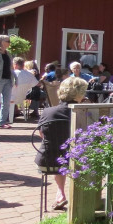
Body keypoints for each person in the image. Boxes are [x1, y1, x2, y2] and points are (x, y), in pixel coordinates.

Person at [37, 77, 88, 211]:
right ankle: (81, 197)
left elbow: (41, 134)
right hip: (76, 160)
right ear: (80, 93)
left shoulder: (48, 112)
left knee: (59, 151)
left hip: (47, 160)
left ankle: (60, 193)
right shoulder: (82, 112)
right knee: (75, 155)